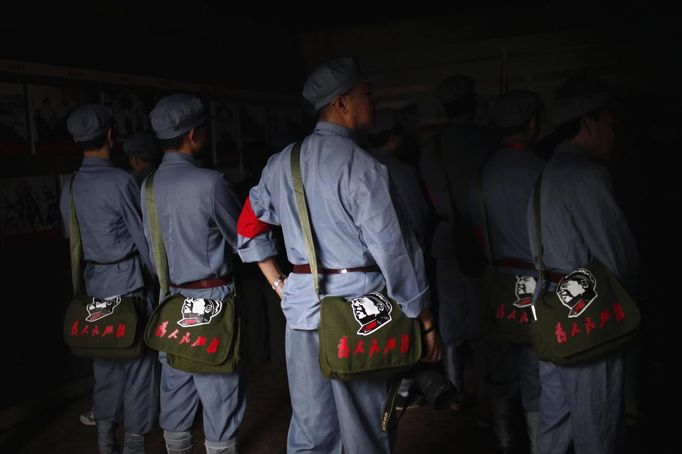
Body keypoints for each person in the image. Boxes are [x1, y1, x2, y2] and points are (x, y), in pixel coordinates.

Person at [236, 56, 442, 453]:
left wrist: (280, 283)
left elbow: (248, 227)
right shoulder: (364, 167)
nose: (375, 102)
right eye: (368, 94)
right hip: (361, 315)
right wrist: (425, 320)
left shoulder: (282, 163)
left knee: (312, 431)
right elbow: (395, 252)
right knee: (367, 429)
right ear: (342, 102)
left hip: (302, 313)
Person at [526, 78, 638, 454]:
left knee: (555, 421)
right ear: (588, 123)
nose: (614, 133)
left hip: (551, 309)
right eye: (610, 123)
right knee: (598, 422)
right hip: (589, 314)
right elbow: (617, 256)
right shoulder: (588, 176)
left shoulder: (543, 177)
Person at [142, 93, 245, 454]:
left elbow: (150, 245)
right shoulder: (211, 182)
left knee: (176, 389)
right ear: (194, 135)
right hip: (213, 299)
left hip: (171, 301)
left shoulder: (149, 185)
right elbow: (242, 241)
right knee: (220, 391)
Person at [60, 104, 159, 454]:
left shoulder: (70, 186)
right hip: (130, 283)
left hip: (93, 288)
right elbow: (143, 237)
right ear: (112, 137)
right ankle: (133, 445)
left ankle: (105, 443)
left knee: (104, 367)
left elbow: (72, 239)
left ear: (76, 140)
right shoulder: (123, 181)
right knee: (138, 369)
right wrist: (160, 283)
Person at [419, 74, 497, 416]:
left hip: (447, 237)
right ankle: (486, 393)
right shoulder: (488, 142)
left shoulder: (432, 147)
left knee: (451, 319)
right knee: (482, 318)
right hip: (485, 237)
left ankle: (453, 390)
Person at [475, 90, 544, 453]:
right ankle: (537, 444)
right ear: (531, 125)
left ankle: (504, 442)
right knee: (535, 368)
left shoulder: (484, 171)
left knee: (500, 367)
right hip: (534, 282)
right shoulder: (539, 169)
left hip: (496, 279)